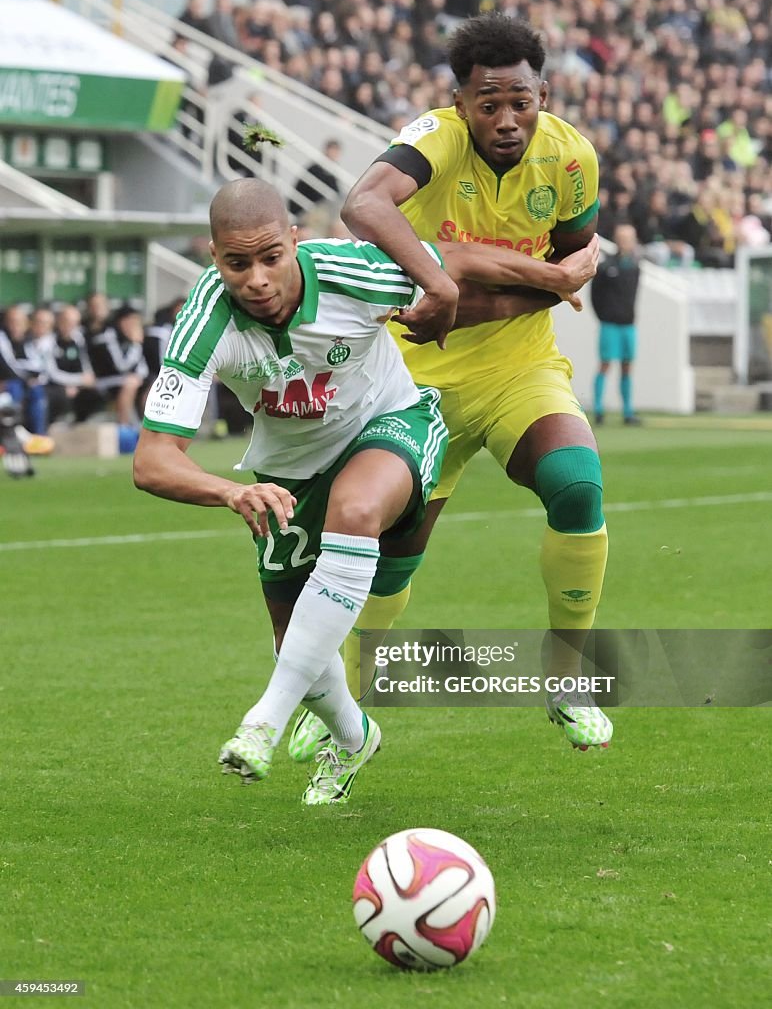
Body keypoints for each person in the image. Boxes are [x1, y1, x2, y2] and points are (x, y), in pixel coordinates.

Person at [133, 178, 598, 805]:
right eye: (237, 263)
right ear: (214, 257)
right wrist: (229, 492)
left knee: (354, 512)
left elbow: (449, 258)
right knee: (296, 638)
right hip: (290, 470)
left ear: (295, 241)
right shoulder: (203, 322)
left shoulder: (351, 271)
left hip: (392, 423)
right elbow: (153, 460)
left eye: (271, 256)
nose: (258, 279)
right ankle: (355, 737)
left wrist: (551, 277)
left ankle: (264, 720)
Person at [337, 12, 612, 753]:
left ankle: (566, 675)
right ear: (458, 103)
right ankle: (338, 699)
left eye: (520, 101)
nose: (507, 119)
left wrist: (466, 294)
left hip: (517, 369)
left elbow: (567, 282)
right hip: (412, 384)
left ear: (543, 95)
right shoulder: (434, 139)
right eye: (487, 103)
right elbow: (361, 205)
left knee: (578, 484)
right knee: (394, 553)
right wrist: (440, 276)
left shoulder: (572, 160)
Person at [591, 224, 642, 426]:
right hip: (610, 323)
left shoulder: (636, 266)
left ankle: (628, 411)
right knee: (605, 364)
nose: (626, 241)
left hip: (627, 324)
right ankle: (598, 409)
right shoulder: (606, 266)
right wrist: (603, 316)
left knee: (627, 365)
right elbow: (595, 295)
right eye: (623, 237)